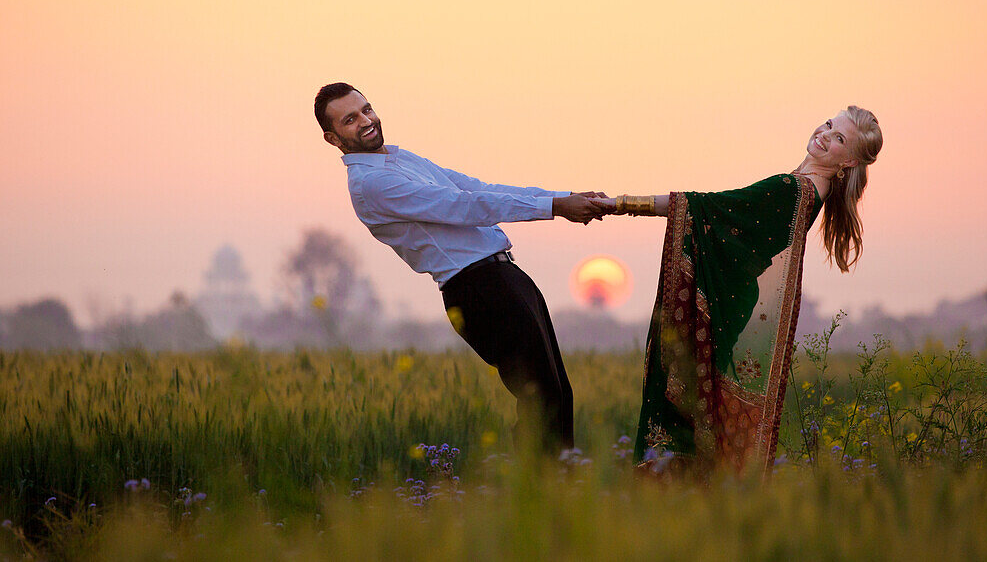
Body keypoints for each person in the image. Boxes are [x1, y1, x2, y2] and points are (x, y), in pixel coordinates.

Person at [314, 82, 613, 454]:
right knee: (541, 399)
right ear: (332, 138)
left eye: (367, 109)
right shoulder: (372, 183)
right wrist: (555, 208)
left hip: (504, 277)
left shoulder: (398, 158)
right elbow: (463, 206)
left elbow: (476, 187)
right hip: (478, 290)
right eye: (350, 119)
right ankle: (541, 500)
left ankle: (557, 493)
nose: (366, 121)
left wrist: (563, 198)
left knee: (557, 393)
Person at [596, 106, 883, 475]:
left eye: (840, 138)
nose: (826, 134)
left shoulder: (792, 189)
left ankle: (674, 502)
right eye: (830, 125)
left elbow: (704, 207)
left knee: (682, 415)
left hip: (716, 305)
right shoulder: (810, 192)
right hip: (727, 300)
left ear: (851, 162)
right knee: (695, 412)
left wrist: (619, 204)